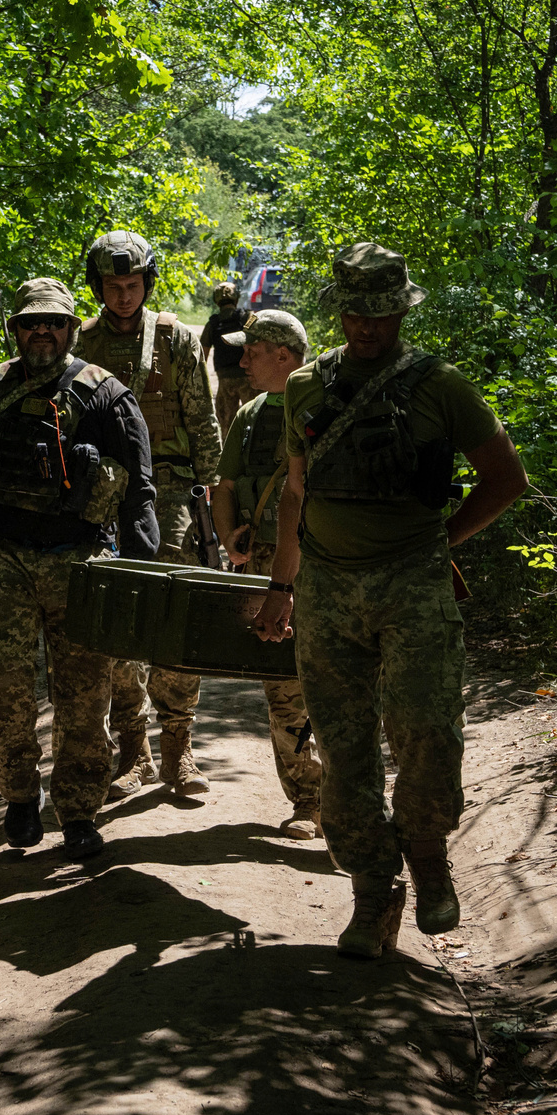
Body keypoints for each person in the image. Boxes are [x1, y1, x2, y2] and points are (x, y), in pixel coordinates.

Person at [255, 244, 529, 959]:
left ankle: (429, 852)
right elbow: (295, 493)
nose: (365, 328)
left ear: (401, 312)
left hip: (412, 583)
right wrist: (282, 589)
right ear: (338, 311)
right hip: (327, 590)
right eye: (353, 313)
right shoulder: (307, 389)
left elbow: (506, 479)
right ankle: (374, 891)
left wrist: (445, 542)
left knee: (426, 733)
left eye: (379, 314)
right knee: (344, 753)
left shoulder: (441, 387)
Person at [0, 277, 160, 862]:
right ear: (15, 329)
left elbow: (139, 493)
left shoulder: (107, 396)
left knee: (83, 698)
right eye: (30, 322)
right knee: (2, 690)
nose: (41, 331)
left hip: (83, 565)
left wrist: (140, 570)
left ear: (72, 329)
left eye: (54, 322)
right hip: (4, 562)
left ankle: (78, 812)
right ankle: (20, 798)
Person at [76, 230, 224, 796]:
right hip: (104, 491)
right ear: (98, 287)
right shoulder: (81, 342)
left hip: (172, 488)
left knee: (177, 610)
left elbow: (203, 420)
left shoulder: (175, 339)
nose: (122, 297)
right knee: (114, 615)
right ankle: (132, 747)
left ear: (147, 284)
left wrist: (212, 492)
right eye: (112, 287)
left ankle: (178, 748)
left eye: (132, 285)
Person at [209, 308, 324, 839]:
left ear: (283, 355)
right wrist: (230, 535)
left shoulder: (324, 404)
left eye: (251, 351)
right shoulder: (251, 412)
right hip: (262, 567)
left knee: (333, 684)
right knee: (282, 686)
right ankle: (310, 802)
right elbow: (226, 484)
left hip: (317, 567)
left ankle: (347, 800)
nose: (241, 360)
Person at [200, 279, 251, 440]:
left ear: (217, 301)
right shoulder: (246, 318)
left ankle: (228, 457)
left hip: (225, 380)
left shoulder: (213, 323)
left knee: (226, 425)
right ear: (236, 299)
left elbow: (202, 356)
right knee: (254, 418)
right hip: (249, 378)